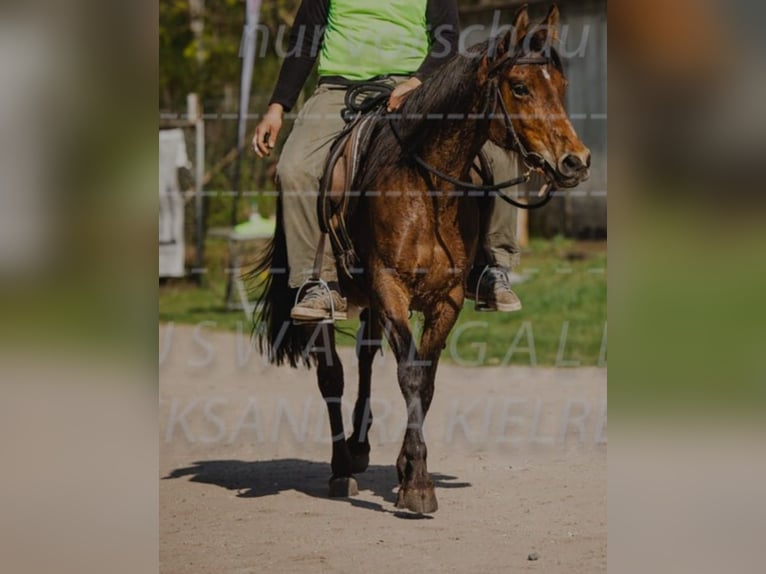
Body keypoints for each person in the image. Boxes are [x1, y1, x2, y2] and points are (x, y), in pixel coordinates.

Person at [253, 0, 523, 321]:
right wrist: (277, 107)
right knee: (293, 169)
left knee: (501, 157)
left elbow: (447, 41)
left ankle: (490, 269)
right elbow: (304, 43)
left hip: (415, 87)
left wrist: (418, 82)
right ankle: (319, 283)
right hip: (339, 91)